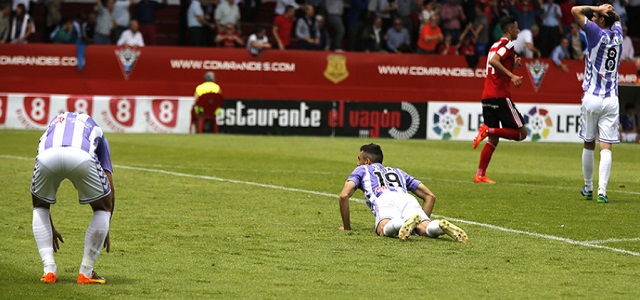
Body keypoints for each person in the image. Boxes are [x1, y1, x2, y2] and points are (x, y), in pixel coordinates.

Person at [31, 112, 115, 284]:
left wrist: (50, 226)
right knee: (103, 208)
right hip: (80, 156)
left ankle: (48, 271)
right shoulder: (95, 127)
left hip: (47, 156)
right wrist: (105, 222)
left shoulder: (49, 129)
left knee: (39, 207)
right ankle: (86, 272)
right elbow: (108, 180)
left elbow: (40, 201)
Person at [338, 143, 468, 242]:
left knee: (383, 229)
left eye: (359, 159)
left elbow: (344, 196)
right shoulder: (398, 171)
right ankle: (438, 226)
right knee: (425, 229)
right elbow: (430, 196)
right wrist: (419, 224)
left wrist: (347, 227)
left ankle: (401, 224)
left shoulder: (362, 169)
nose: (357, 163)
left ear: (367, 161)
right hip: (407, 198)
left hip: (384, 198)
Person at [571, 3, 623, 203]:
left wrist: (598, 8)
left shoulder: (595, 33)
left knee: (589, 143)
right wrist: (607, 12)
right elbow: (617, 19)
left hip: (592, 96)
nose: (592, 18)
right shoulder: (618, 35)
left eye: (595, 16)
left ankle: (588, 187)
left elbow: (575, 10)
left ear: (601, 20)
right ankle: (602, 191)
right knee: (607, 146)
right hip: (611, 99)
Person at [472, 16, 527, 184]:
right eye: (517, 28)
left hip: (487, 96)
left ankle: (480, 174)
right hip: (500, 96)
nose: (518, 30)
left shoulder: (494, 45)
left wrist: (512, 66)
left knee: (493, 140)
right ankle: (486, 130)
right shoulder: (507, 45)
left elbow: (495, 63)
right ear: (510, 30)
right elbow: (494, 61)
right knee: (521, 134)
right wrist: (512, 75)